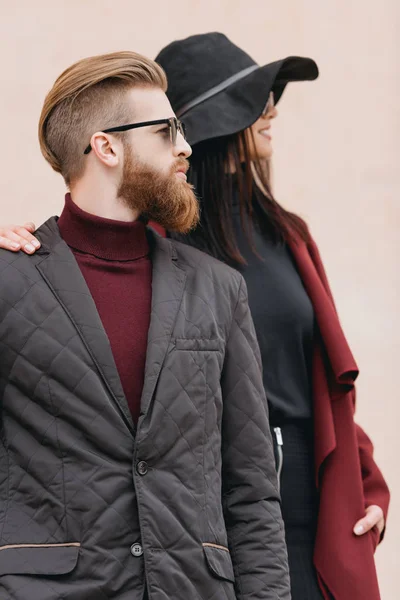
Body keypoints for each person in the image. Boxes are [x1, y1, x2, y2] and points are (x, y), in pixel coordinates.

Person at [0, 50, 291, 600]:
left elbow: (251, 492)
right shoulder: (8, 282)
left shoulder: (219, 290)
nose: (185, 147)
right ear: (106, 146)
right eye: (166, 131)